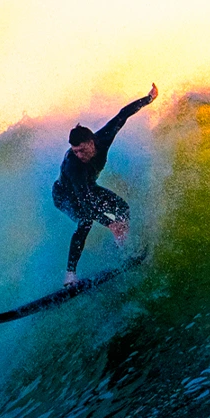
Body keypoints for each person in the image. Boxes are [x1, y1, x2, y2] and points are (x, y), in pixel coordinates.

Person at [52, 84, 158, 284]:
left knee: (122, 209)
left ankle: (120, 249)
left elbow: (122, 115)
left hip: (87, 188)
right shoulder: (73, 166)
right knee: (86, 220)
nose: (78, 155)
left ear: (92, 143)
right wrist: (109, 223)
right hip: (64, 195)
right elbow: (85, 202)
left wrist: (148, 99)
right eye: (75, 151)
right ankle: (70, 275)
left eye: (82, 150)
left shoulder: (103, 138)